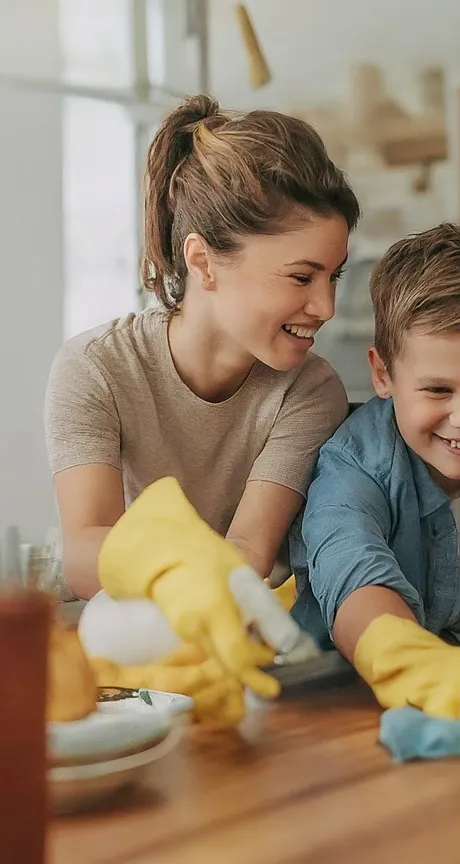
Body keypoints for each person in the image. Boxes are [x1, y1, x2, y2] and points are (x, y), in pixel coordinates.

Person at [44, 94, 360, 600]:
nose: (326, 306)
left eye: (333, 275)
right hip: (118, 637)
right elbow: (84, 559)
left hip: (236, 633)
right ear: (204, 261)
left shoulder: (310, 390)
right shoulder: (96, 369)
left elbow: (250, 552)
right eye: (302, 276)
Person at [289, 223, 460, 663]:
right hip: (332, 696)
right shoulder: (353, 470)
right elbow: (354, 574)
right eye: (438, 390)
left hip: (456, 681)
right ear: (383, 375)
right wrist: (419, 669)